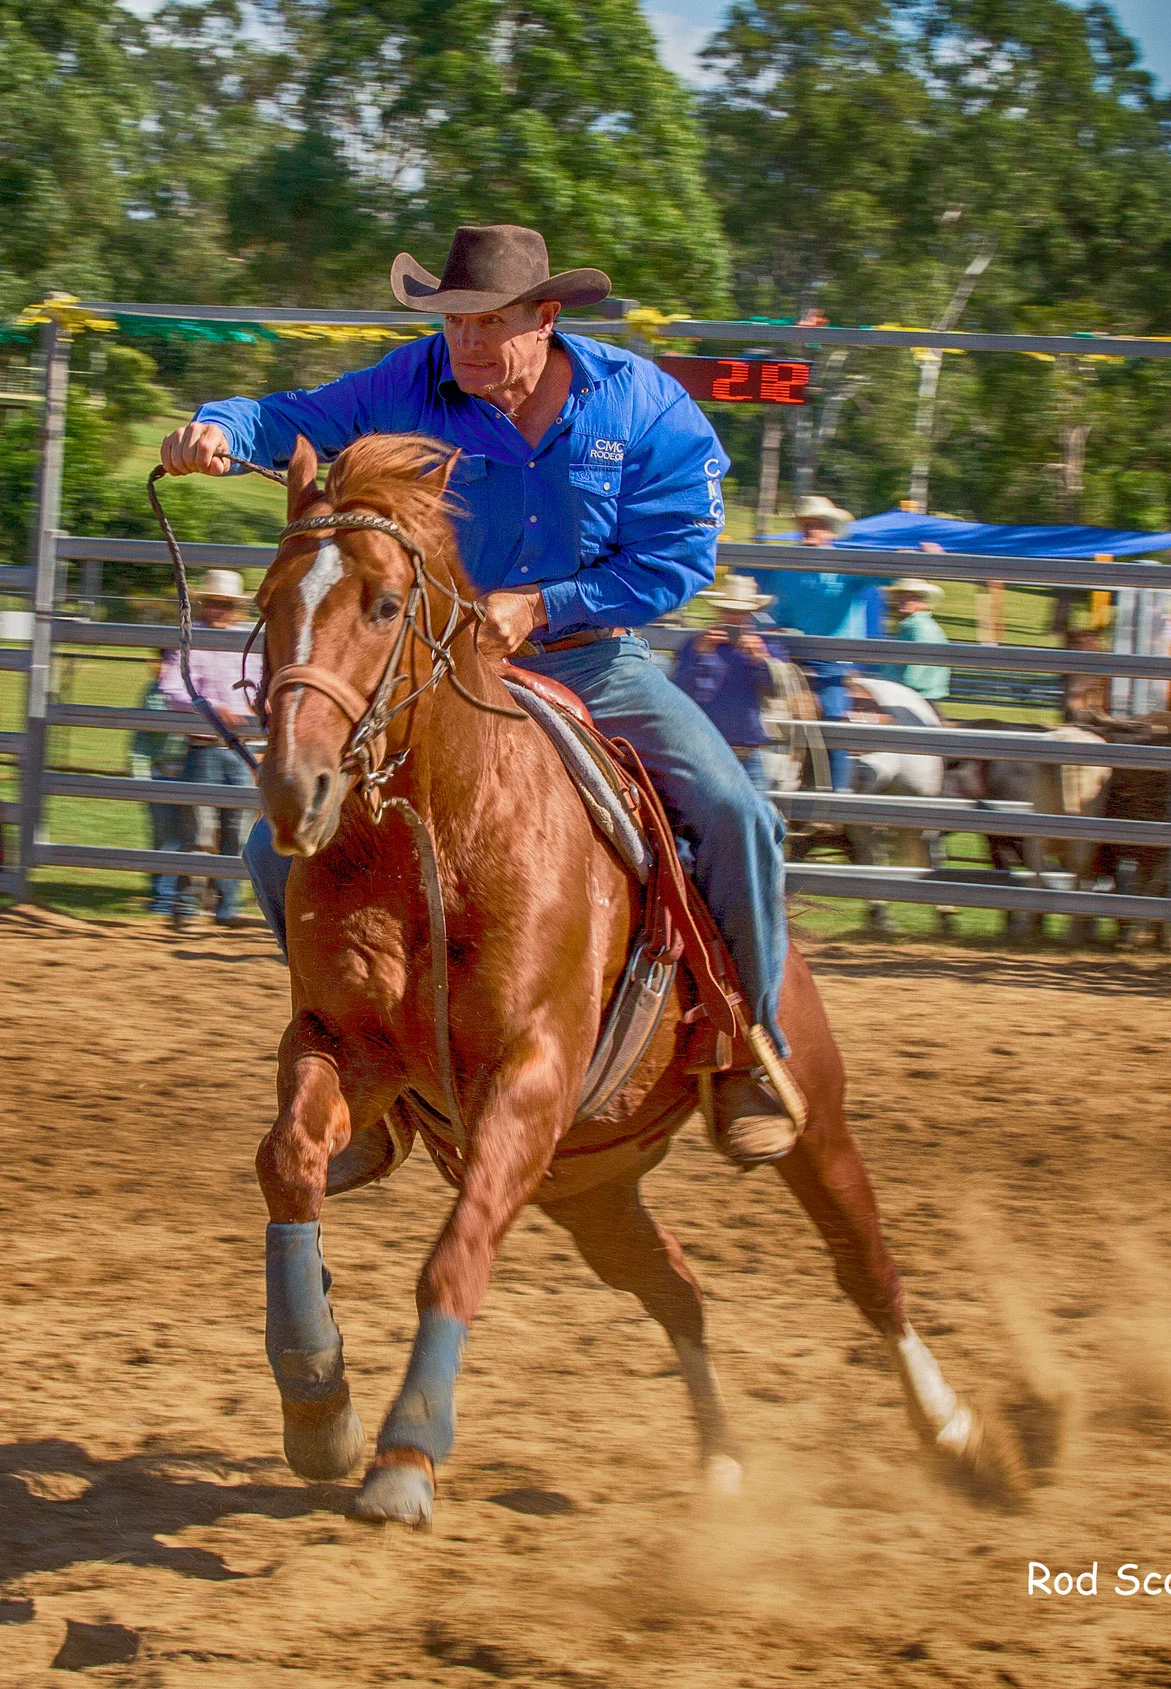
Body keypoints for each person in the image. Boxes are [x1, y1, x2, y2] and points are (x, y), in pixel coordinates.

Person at [160, 221, 800, 1164]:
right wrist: (223, 426)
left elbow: (679, 559)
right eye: (452, 321)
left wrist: (544, 605)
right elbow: (297, 415)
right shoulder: (410, 383)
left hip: (589, 658)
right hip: (440, 672)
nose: (463, 343)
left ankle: (745, 1045)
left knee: (736, 812)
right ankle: (351, 1060)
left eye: (488, 322)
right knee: (273, 847)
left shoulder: (643, 407)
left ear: (547, 319)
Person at [155, 568, 264, 930]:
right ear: (204, 604)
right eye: (214, 603)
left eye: (226, 604)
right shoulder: (190, 639)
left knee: (238, 830)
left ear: (236, 608)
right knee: (198, 830)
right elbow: (172, 689)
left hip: (243, 748)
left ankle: (227, 906)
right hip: (203, 745)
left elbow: (263, 688)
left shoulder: (248, 644)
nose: (219, 609)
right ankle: (189, 906)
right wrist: (207, 706)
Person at [764, 495, 876, 792]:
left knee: (832, 714)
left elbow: (884, 574)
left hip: (834, 660)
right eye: (806, 525)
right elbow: (780, 613)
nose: (809, 531)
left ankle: (835, 794)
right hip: (794, 657)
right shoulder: (789, 570)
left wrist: (908, 558)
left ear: (829, 530)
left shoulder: (846, 566)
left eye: (816, 526)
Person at [671, 572, 788, 791]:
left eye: (741, 613)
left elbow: (777, 690)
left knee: (755, 817)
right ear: (720, 612)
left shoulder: (767, 647)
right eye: (730, 611)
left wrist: (761, 660)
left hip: (750, 752)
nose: (735, 618)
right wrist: (701, 656)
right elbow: (682, 696)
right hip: (706, 752)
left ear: (751, 614)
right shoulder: (695, 646)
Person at [132, 651, 192, 919]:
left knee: (192, 838)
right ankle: (163, 897)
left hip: (194, 773)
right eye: (161, 660)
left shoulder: (194, 689)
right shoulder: (151, 692)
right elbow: (141, 738)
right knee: (163, 837)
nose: (162, 666)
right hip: (162, 773)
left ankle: (185, 897)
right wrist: (140, 776)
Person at [885, 577, 951, 703]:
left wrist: (899, 690)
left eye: (912, 597)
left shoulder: (918, 628)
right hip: (915, 696)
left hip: (914, 698)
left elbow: (917, 667)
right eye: (901, 595)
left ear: (923, 602)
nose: (904, 600)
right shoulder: (911, 626)